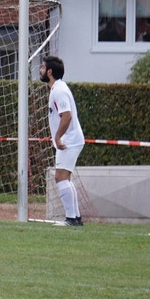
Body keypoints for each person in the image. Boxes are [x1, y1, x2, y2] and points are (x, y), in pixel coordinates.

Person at [40, 55, 86, 226]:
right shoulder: (58, 88)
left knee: (60, 177)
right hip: (71, 140)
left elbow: (67, 116)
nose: (40, 70)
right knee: (65, 178)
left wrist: (58, 137)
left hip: (69, 141)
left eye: (43, 67)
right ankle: (75, 218)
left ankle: (71, 219)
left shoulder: (59, 90)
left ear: (49, 72)